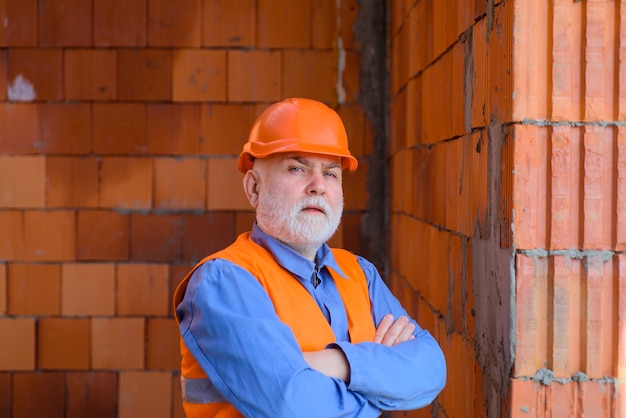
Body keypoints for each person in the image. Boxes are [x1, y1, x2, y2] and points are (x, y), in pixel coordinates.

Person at [174, 98, 446, 418]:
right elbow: (292, 407)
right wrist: (379, 384)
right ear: (254, 188)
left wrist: (339, 363)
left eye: (331, 173)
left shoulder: (359, 273)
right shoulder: (224, 282)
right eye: (297, 168)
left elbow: (430, 370)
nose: (317, 186)